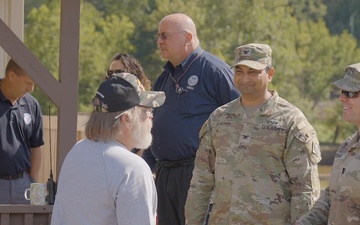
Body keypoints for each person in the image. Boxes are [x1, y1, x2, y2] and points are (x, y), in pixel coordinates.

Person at [185, 43, 322, 225]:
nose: (244, 78)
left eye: (253, 72)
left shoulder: (291, 121)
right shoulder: (219, 118)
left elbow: (305, 189)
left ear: (270, 74)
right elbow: (201, 180)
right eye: (239, 71)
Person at [142, 13, 240, 225]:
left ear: (187, 38)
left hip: (198, 175)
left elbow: (243, 118)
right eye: (158, 36)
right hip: (165, 175)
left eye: (165, 36)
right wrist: (143, 165)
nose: (159, 41)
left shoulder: (215, 71)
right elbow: (154, 125)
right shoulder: (165, 77)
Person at [51, 73, 165, 225]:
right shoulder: (132, 168)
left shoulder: (76, 152)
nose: (151, 116)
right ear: (126, 119)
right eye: (146, 110)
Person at [294, 63, 360, 225]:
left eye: (351, 93)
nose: (342, 98)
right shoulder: (346, 147)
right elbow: (331, 199)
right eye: (343, 92)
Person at [0, 58, 44, 204]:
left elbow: (36, 147)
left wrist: (33, 183)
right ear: (12, 76)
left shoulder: (32, 105)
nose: (31, 89)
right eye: (28, 83)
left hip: (24, 185)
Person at [106, 53, 152, 155]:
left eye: (119, 72)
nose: (114, 77)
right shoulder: (103, 105)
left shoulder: (145, 105)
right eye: (110, 73)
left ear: (133, 75)